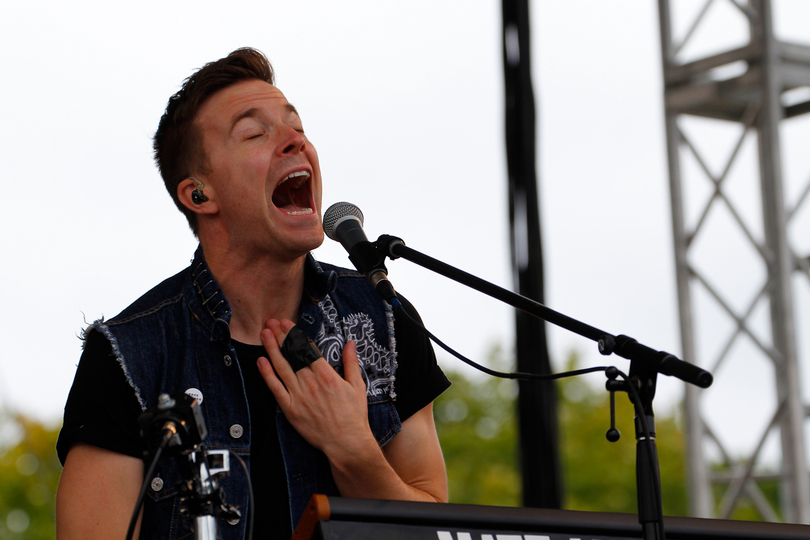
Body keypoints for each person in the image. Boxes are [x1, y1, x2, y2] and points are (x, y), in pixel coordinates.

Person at [55, 47, 450, 540]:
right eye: (255, 133)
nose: (295, 141)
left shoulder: (383, 320)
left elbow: (436, 527)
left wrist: (355, 451)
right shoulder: (130, 358)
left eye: (297, 127)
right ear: (199, 194)